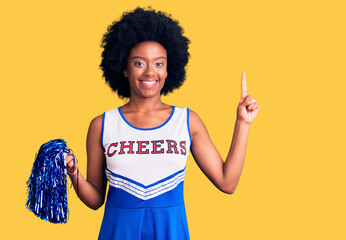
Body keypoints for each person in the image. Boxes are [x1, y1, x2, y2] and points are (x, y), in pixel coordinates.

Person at [65, 7, 260, 240]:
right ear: (124, 69)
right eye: (139, 63)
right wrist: (73, 173)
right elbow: (96, 200)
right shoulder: (102, 124)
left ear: (169, 70)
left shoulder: (187, 121)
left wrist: (243, 123)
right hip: (118, 232)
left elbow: (227, 183)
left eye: (159, 64)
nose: (150, 72)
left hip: (171, 232)